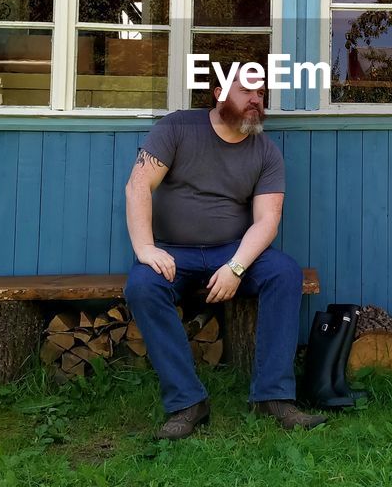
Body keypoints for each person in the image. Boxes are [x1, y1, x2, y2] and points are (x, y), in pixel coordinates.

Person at [123, 74, 325, 439]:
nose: (255, 99)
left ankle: (273, 397)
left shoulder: (265, 151)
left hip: (232, 250)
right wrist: (146, 248)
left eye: (261, 93)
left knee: (284, 273)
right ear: (218, 94)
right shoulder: (178, 127)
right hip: (173, 252)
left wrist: (236, 267)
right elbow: (138, 185)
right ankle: (187, 402)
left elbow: (268, 220)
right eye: (246, 91)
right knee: (141, 286)